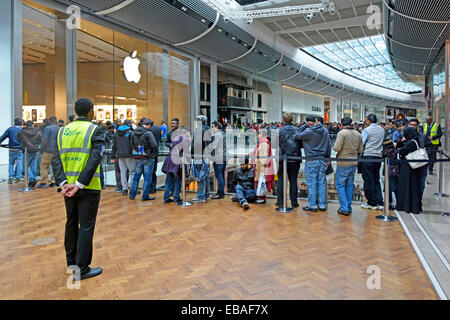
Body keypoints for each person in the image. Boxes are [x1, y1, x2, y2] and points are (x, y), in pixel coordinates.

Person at [51, 97, 106, 280]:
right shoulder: (95, 130)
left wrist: (63, 184)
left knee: (71, 223)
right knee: (86, 227)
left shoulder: (62, 130)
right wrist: (80, 184)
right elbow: (95, 158)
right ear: (91, 110)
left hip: (67, 188)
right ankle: (82, 268)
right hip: (88, 187)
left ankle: (71, 264)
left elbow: (56, 159)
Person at [295, 115, 331, 212]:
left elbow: (296, 134)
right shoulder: (325, 131)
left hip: (311, 160)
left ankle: (312, 205)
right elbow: (329, 145)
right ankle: (322, 205)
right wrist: (328, 159)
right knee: (322, 183)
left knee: (311, 183)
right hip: (322, 160)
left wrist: (305, 125)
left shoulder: (309, 131)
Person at [333, 117, 363, 216]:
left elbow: (337, 148)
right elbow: (360, 150)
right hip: (353, 162)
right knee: (350, 185)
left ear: (341, 124)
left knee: (340, 185)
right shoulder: (358, 134)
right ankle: (348, 206)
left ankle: (344, 208)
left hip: (343, 162)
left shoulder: (342, 133)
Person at [396, 127, 426, 214]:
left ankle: (405, 206)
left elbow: (402, 151)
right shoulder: (414, 141)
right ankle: (411, 206)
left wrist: (402, 144)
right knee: (412, 187)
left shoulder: (411, 142)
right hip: (413, 168)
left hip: (408, 168)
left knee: (407, 186)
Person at [276, 112, 302, 209]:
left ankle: (280, 202)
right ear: (292, 120)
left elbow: (275, 144)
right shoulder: (297, 130)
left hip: (282, 158)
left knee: (281, 180)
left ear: (283, 120)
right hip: (295, 159)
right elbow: (301, 144)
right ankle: (294, 202)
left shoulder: (279, 130)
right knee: (293, 180)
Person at [129, 119, 158, 201]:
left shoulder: (134, 132)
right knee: (147, 178)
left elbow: (131, 144)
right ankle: (145, 196)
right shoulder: (148, 133)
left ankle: (132, 194)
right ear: (148, 125)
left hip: (138, 157)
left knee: (136, 177)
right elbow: (154, 145)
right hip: (148, 158)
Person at [360, 114, 385, 211]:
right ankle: (379, 202)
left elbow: (362, 142)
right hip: (378, 156)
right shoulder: (381, 129)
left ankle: (371, 203)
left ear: (368, 121)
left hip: (368, 156)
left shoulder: (367, 130)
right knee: (376, 179)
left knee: (368, 179)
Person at [162, 127, 190, 204]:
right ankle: (176, 197)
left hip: (169, 158)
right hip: (178, 160)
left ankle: (166, 196)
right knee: (178, 179)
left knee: (169, 178)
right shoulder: (185, 139)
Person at [112, 119, 135, 196]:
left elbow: (114, 145)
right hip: (129, 155)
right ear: (129, 124)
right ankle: (132, 188)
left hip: (119, 155)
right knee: (132, 172)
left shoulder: (116, 133)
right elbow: (133, 144)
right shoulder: (131, 132)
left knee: (123, 172)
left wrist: (112, 155)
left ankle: (124, 189)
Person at [251, 128, 274, 205]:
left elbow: (264, 158)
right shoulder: (262, 143)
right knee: (260, 182)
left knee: (261, 182)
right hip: (261, 167)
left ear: (261, 134)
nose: (257, 136)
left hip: (262, 167)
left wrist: (261, 168)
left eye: (258, 134)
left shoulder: (264, 143)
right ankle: (260, 197)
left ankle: (262, 198)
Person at [191, 115, 211, 203]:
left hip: (199, 155)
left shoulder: (199, 130)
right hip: (206, 156)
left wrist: (192, 153)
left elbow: (197, 144)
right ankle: (206, 194)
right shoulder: (209, 130)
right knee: (205, 175)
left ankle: (201, 197)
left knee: (200, 176)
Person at [36, 116, 59, 188]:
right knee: (55, 166)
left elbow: (45, 140)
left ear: (49, 121)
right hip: (56, 150)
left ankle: (43, 182)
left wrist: (42, 149)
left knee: (44, 166)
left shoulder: (47, 128)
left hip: (48, 150)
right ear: (56, 121)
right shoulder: (59, 128)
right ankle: (54, 181)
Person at [17, 120, 42, 187]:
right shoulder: (38, 131)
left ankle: (32, 178)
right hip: (35, 149)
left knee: (24, 166)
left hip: (26, 150)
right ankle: (33, 179)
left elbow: (18, 138)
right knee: (33, 165)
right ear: (32, 125)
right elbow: (40, 140)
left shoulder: (22, 131)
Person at [0, 118, 23, 184]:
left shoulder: (10, 129)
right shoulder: (22, 130)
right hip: (20, 149)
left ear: (14, 122)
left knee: (11, 163)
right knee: (19, 164)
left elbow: (3, 137)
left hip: (11, 149)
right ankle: (18, 178)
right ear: (21, 123)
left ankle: (10, 177)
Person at [210, 121, 227, 200]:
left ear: (217, 127)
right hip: (224, 157)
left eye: (213, 126)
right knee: (221, 176)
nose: (212, 128)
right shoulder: (223, 134)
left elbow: (214, 147)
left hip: (218, 158)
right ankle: (221, 193)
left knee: (219, 176)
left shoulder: (217, 135)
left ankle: (220, 193)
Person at [148, 119, 161, 194]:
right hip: (156, 152)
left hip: (150, 153)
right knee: (153, 171)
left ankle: (150, 188)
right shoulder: (158, 128)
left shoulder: (148, 130)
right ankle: (153, 187)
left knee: (149, 171)